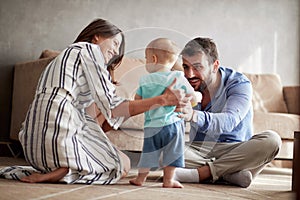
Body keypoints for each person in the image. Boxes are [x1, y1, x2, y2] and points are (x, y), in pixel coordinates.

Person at [7, 19, 188, 184]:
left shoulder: (70, 57)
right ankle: (69, 169)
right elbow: (114, 106)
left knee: (120, 158)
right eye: (115, 43)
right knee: (122, 166)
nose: (116, 52)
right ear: (97, 37)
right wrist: (162, 100)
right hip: (57, 132)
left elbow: (97, 121)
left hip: (33, 146)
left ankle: (67, 167)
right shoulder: (89, 50)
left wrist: (128, 108)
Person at [174, 37, 282, 188]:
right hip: (200, 149)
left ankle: (201, 174)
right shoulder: (183, 83)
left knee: (272, 140)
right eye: (186, 67)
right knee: (162, 147)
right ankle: (231, 173)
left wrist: (193, 115)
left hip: (236, 148)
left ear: (214, 65)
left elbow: (229, 121)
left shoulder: (238, 84)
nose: (190, 74)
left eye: (197, 67)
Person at [129, 38, 201, 188]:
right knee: (172, 153)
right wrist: (197, 98)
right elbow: (192, 97)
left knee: (148, 153)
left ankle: (140, 179)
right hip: (172, 125)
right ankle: (168, 180)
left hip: (151, 126)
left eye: (146, 59)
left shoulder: (145, 80)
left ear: (153, 59)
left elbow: (137, 101)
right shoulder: (178, 77)